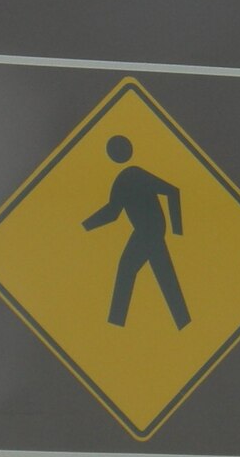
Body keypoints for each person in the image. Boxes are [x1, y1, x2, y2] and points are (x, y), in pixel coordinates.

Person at [82, 135, 191, 329]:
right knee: (163, 275)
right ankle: (183, 322)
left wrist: (178, 231)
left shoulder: (134, 174)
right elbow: (112, 212)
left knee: (127, 269)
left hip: (149, 231)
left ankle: (115, 324)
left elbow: (172, 191)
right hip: (148, 231)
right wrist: (85, 226)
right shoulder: (122, 180)